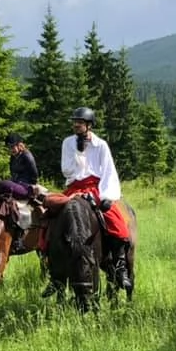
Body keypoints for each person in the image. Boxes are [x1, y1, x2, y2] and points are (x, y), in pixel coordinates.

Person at [41, 106, 133, 296]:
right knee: (49, 215)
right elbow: (66, 170)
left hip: (96, 187)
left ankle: (120, 267)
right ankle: (55, 275)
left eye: (80, 122)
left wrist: (107, 195)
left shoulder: (101, 145)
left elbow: (108, 171)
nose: (76, 125)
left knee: (116, 220)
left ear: (89, 125)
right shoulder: (68, 143)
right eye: (75, 122)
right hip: (74, 187)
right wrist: (79, 154)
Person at [0, 133, 40, 208]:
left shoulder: (27, 156)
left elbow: (34, 175)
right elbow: (13, 173)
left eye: (12, 147)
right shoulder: (13, 157)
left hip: (26, 189)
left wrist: (27, 186)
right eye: (9, 147)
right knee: (2, 185)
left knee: (2, 184)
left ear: (19, 145)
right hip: (17, 184)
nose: (11, 149)